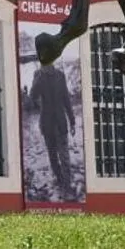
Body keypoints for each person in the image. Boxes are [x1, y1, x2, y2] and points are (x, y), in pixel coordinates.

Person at [29, 59, 77, 200]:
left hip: (60, 123)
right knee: (52, 156)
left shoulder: (60, 75)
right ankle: (60, 179)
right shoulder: (38, 74)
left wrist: (72, 122)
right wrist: (38, 76)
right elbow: (33, 96)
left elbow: (66, 99)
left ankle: (67, 186)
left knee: (65, 156)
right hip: (46, 123)